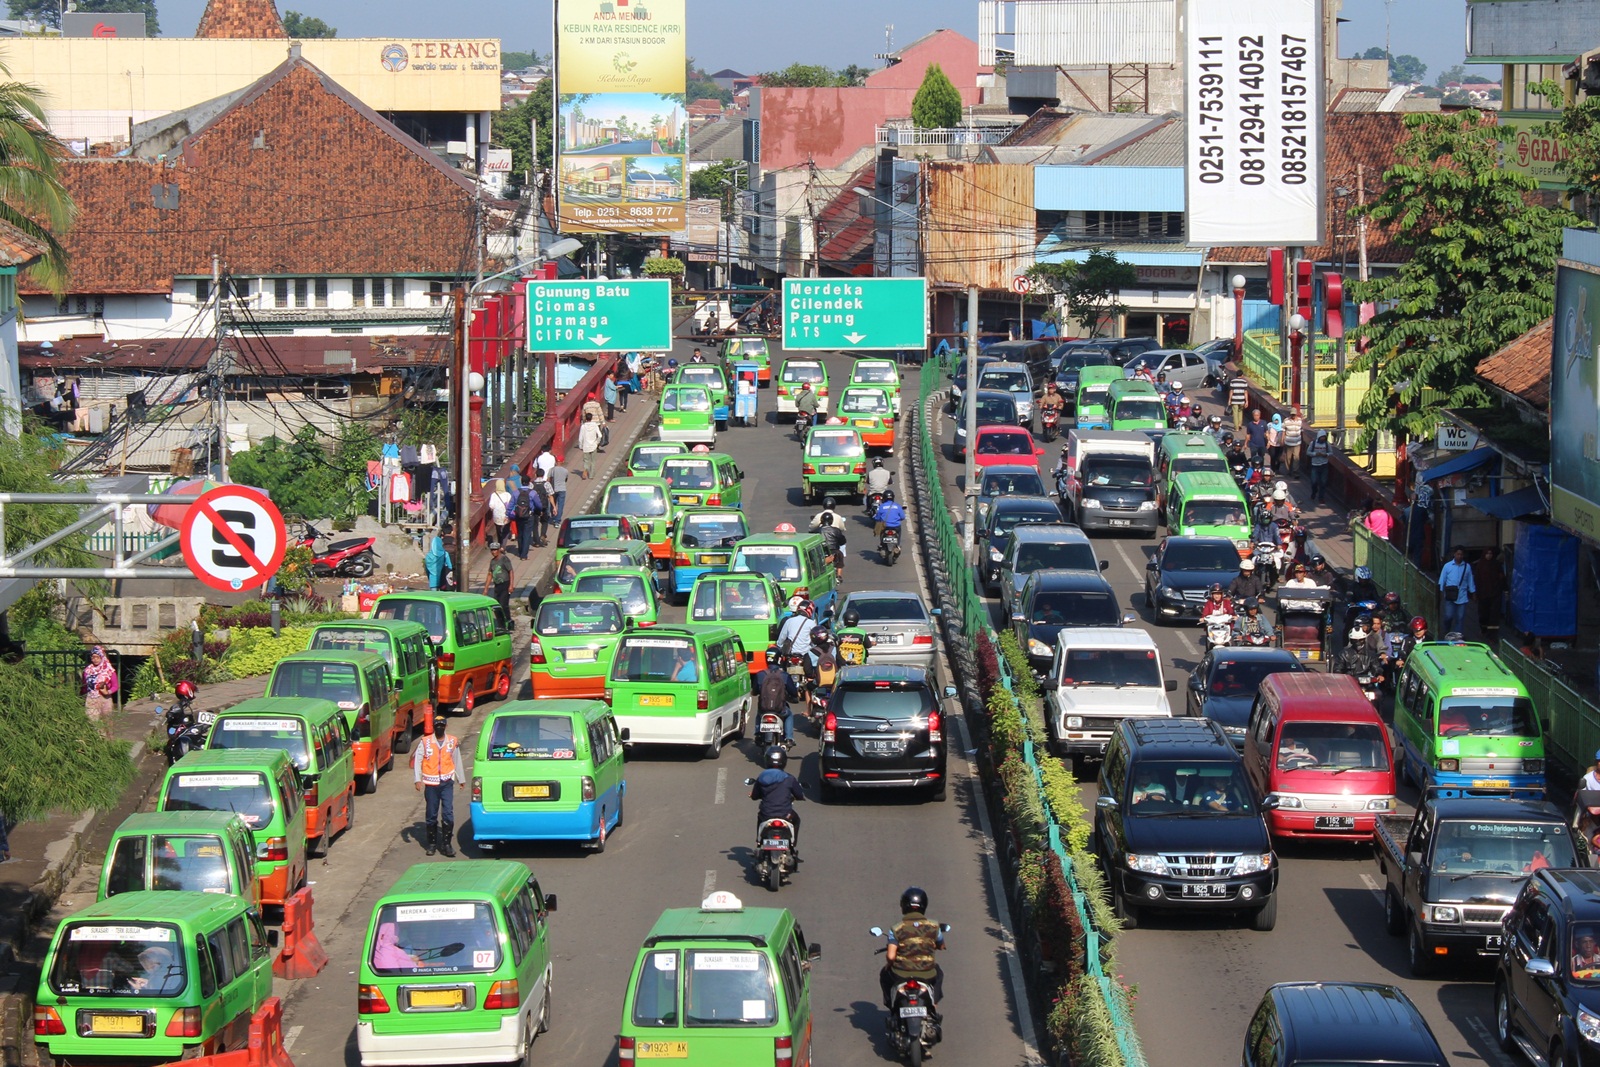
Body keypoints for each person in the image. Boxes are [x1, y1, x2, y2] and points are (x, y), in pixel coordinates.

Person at [880, 887, 945, 1012]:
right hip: (927, 974)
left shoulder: (896, 928)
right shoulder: (934, 926)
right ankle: (934, 1003)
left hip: (901, 974)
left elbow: (891, 956)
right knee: (939, 973)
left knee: (884, 974)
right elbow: (941, 945)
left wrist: (889, 964)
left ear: (903, 905)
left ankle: (892, 1005)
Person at [413, 715, 465, 856]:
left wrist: (461, 779)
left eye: (442, 725)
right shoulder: (425, 742)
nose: (439, 728)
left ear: (446, 726)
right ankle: (432, 844)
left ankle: (446, 845)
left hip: (447, 782)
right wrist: (417, 779)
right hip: (431, 784)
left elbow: (457, 760)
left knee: (448, 813)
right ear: (434, 727)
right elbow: (417, 761)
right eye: (437, 726)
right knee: (431, 814)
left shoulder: (452, 742)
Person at [750, 746, 805, 853]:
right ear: (784, 761)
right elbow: (799, 794)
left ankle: (759, 841)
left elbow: (755, 796)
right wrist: (800, 797)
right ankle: (792, 845)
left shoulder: (761, 777)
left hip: (766, 814)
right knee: (796, 820)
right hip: (785, 814)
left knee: (760, 817)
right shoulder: (789, 778)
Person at [756, 647, 799, 746]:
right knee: (789, 715)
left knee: (759, 714)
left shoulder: (760, 675)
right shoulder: (784, 675)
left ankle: (758, 733)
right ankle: (789, 738)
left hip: (764, 709)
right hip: (780, 710)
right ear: (779, 659)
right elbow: (793, 692)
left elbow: (755, 690)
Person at [1439, 545, 1477, 635]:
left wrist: (1473, 593)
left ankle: (1458, 636)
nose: (1459, 556)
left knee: (1460, 618)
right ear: (1454, 554)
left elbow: (1470, 581)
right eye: (1458, 554)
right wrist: (1440, 593)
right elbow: (1442, 580)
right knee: (1448, 616)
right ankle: (1446, 631)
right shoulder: (1447, 566)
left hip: (1462, 596)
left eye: (1461, 554)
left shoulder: (1467, 567)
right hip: (1450, 596)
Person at [1473, 546, 1507, 641]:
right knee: (1483, 614)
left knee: (1494, 614)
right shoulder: (1480, 565)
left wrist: (1505, 589)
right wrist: (1475, 592)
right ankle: (1484, 630)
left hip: (1495, 594)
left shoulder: (1496, 565)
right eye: (1487, 554)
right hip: (1483, 594)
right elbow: (1477, 580)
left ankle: (1493, 635)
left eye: (1490, 554)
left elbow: (1502, 578)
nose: (1489, 556)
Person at [82, 645, 118, 723]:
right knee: (92, 723)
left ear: (102, 657)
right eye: (93, 657)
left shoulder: (109, 670)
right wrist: (82, 697)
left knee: (107, 724)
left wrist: (108, 692)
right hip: (91, 699)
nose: (95, 659)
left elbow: (115, 686)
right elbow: (84, 686)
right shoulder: (87, 671)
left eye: (97, 657)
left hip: (104, 699)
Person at [513, 479, 545, 559]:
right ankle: (524, 555)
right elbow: (539, 505)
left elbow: (511, 505)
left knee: (520, 534)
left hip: (518, 516)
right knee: (527, 534)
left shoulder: (516, 492)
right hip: (529, 516)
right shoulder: (532, 493)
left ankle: (520, 552)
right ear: (528, 483)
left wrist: (509, 514)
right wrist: (539, 511)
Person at [483, 542, 514, 617]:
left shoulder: (504, 559)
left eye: (495, 550)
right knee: (496, 606)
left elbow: (511, 571)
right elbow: (490, 574)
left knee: (503, 604)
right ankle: (500, 622)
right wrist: (486, 589)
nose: (493, 552)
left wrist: (511, 585)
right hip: (497, 585)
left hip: (505, 584)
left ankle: (507, 620)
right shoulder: (492, 561)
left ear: (499, 550)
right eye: (492, 550)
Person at [425, 521, 454, 590]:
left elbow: (426, 569)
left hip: (432, 581)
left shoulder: (428, 556)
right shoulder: (444, 553)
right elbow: (450, 566)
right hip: (442, 579)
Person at [1307, 430, 1333, 502]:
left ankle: (1321, 497)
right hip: (1315, 465)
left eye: (1324, 437)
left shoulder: (1327, 444)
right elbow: (1308, 452)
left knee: (1323, 482)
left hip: (1324, 464)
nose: (1323, 439)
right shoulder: (1313, 443)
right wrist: (1315, 454)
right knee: (1314, 481)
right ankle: (1314, 491)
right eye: (1321, 437)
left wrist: (1326, 455)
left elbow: (1331, 452)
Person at [577, 412, 603, 479]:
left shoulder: (583, 426)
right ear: (591, 418)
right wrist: (597, 442)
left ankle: (585, 470)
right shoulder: (595, 425)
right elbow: (600, 435)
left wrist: (580, 446)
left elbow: (580, 438)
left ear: (586, 418)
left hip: (586, 446)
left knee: (586, 460)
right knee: (593, 461)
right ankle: (591, 475)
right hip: (593, 446)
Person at [487, 479, 512, 547]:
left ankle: (500, 542)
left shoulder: (493, 495)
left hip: (497, 516)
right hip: (506, 516)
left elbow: (491, 506)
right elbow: (511, 505)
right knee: (506, 531)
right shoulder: (507, 495)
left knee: (498, 531)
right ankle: (503, 546)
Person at [1281, 406, 1304, 475]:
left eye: (1294, 414)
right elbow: (1283, 431)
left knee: (1296, 457)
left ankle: (1295, 471)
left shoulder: (1300, 421)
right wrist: (1282, 440)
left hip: (1297, 442)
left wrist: (1302, 440)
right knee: (1288, 457)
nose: (1293, 416)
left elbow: (1301, 431)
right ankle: (1288, 470)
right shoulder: (1286, 420)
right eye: (1292, 414)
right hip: (1288, 442)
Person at [548, 459, 570, 525]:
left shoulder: (552, 469)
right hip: (562, 489)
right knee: (560, 505)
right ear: (562, 462)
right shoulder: (565, 470)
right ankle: (558, 520)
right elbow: (566, 479)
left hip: (554, 489)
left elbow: (549, 479)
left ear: (556, 462)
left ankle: (553, 517)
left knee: (553, 504)